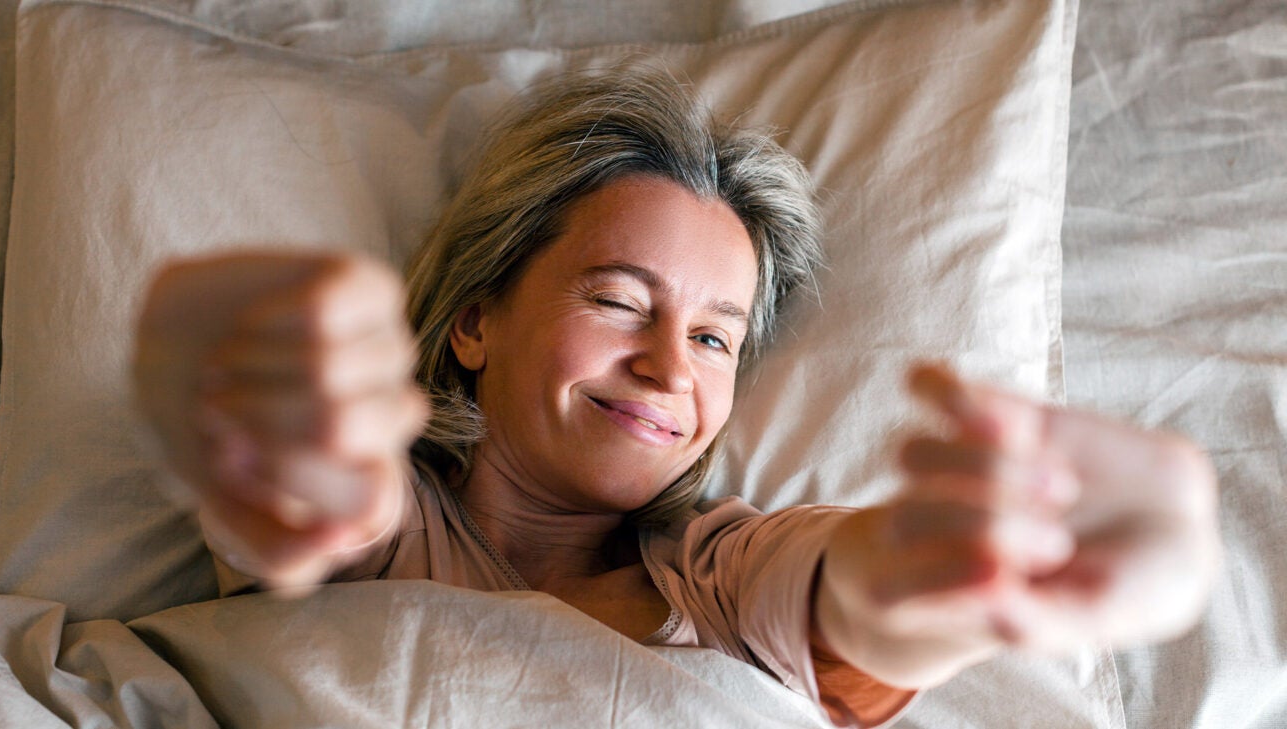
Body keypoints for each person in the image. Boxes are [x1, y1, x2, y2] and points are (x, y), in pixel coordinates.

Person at [132, 67, 1221, 726]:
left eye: (713, 337)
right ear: (476, 320)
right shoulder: (393, 534)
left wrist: (989, 556)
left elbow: (862, 593)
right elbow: (319, 494)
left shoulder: (717, 573)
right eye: (617, 301)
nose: (669, 366)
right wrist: (280, 422)